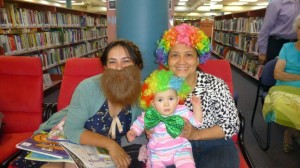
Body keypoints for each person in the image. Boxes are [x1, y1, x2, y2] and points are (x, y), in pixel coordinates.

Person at [9, 40, 146, 168]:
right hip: (63, 137)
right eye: (112, 62)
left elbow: (142, 126)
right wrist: (110, 144)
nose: (119, 68)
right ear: (105, 67)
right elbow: (72, 130)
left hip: (96, 151)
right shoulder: (88, 87)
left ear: (137, 66)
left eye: (126, 61)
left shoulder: (143, 92)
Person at [155, 23, 240, 168]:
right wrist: (151, 128)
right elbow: (150, 118)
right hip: (174, 145)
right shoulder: (159, 86)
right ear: (166, 60)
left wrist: (196, 134)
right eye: (175, 55)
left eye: (189, 55)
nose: (182, 61)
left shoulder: (215, 84)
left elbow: (232, 125)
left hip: (215, 142)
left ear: (198, 59)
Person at [126, 69, 203, 168]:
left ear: (178, 99)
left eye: (171, 98)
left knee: (188, 164)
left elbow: (197, 122)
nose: (166, 104)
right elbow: (139, 123)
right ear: (152, 103)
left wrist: (197, 107)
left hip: (180, 149)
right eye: (160, 100)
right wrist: (133, 132)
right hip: (157, 152)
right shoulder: (150, 114)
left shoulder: (182, 111)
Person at [262, 15, 300, 153]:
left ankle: (293, 131)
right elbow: (277, 74)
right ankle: (289, 133)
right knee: (284, 104)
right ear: (296, 30)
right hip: (283, 87)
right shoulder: (287, 47)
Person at [257, 0, 300, 64]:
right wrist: (263, 52)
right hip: (277, 44)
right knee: (274, 70)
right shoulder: (275, 3)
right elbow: (266, 28)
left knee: (293, 70)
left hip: (296, 43)